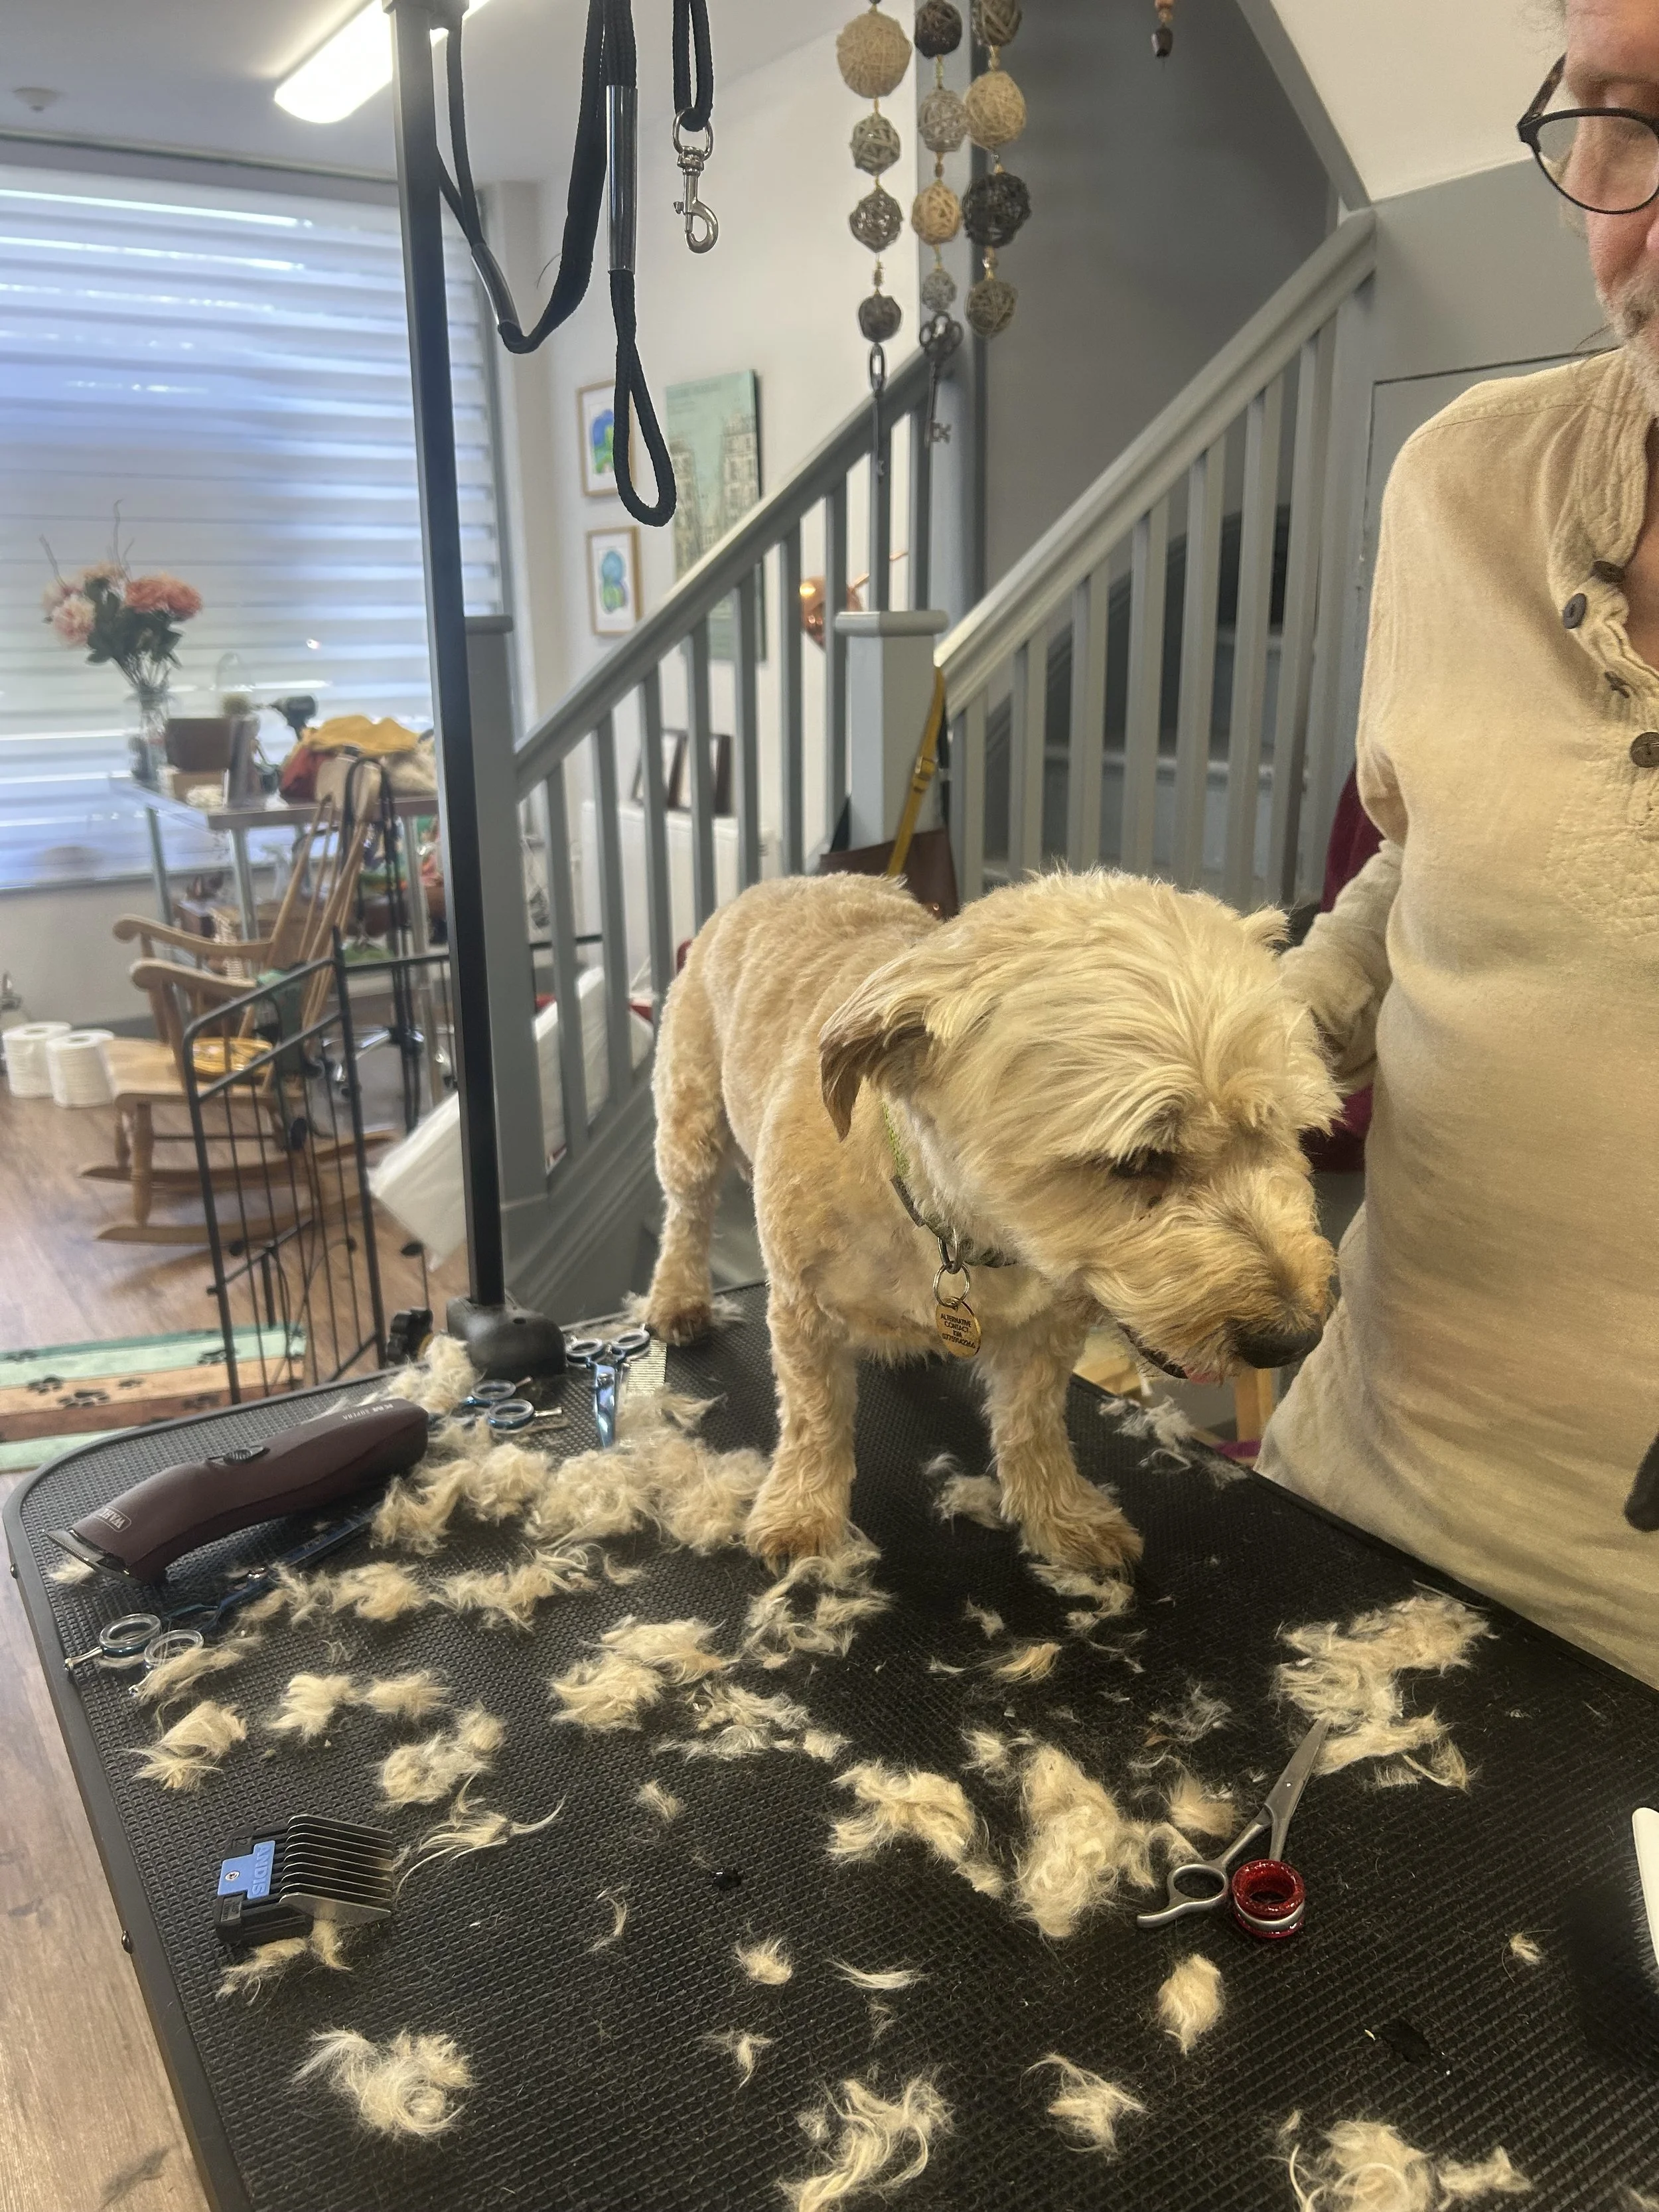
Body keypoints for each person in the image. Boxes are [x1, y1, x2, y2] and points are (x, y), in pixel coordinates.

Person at [1260, 0, 1659, 1689]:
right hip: (1347, 1493)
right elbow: (1425, 864)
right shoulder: (1457, 486)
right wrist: (1231, 1060)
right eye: (1617, 115)